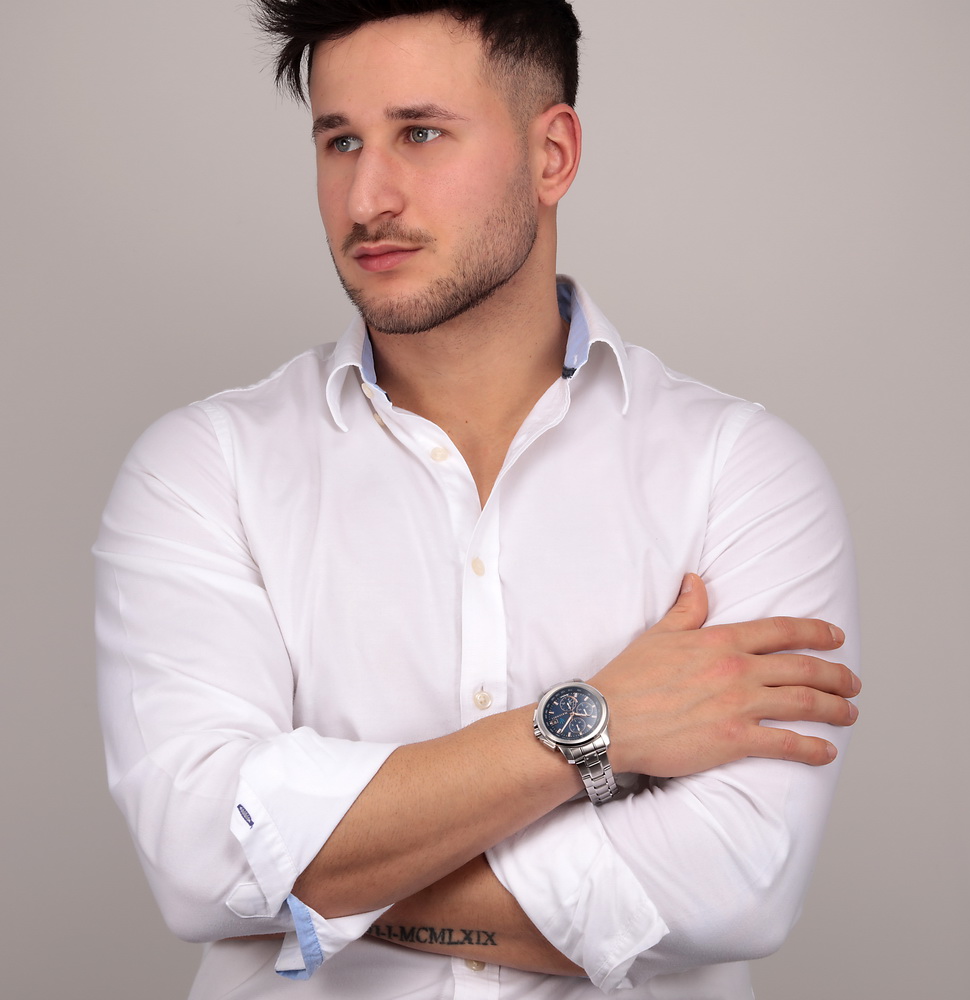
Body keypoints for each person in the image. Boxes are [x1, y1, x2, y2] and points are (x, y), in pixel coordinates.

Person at [95, 2, 861, 998]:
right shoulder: (207, 469)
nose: (366, 196)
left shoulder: (740, 471)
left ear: (552, 155)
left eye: (419, 133)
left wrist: (308, 874)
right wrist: (592, 727)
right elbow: (196, 860)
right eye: (339, 141)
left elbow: (737, 888)